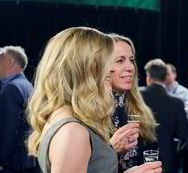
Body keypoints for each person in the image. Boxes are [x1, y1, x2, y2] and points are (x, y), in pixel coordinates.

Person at [26, 26, 162, 173]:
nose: (110, 70)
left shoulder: (64, 118)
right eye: (108, 63)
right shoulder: (73, 131)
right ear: (85, 70)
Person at [108, 34, 159, 173]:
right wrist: (111, 149)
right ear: (102, 66)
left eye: (131, 60)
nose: (130, 67)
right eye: (120, 60)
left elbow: (152, 154)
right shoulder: (89, 113)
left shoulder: (140, 107)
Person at [0, 46, 36, 173]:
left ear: (10, 62)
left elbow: (9, 128)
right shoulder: (28, 86)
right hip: (26, 162)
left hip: (10, 165)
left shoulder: (11, 88)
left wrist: (2, 162)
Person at [140, 59, 188, 173]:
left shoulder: (138, 96)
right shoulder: (177, 102)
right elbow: (183, 134)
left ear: (148, 76)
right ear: (165, 78)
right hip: (168, 160)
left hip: (140, 159)